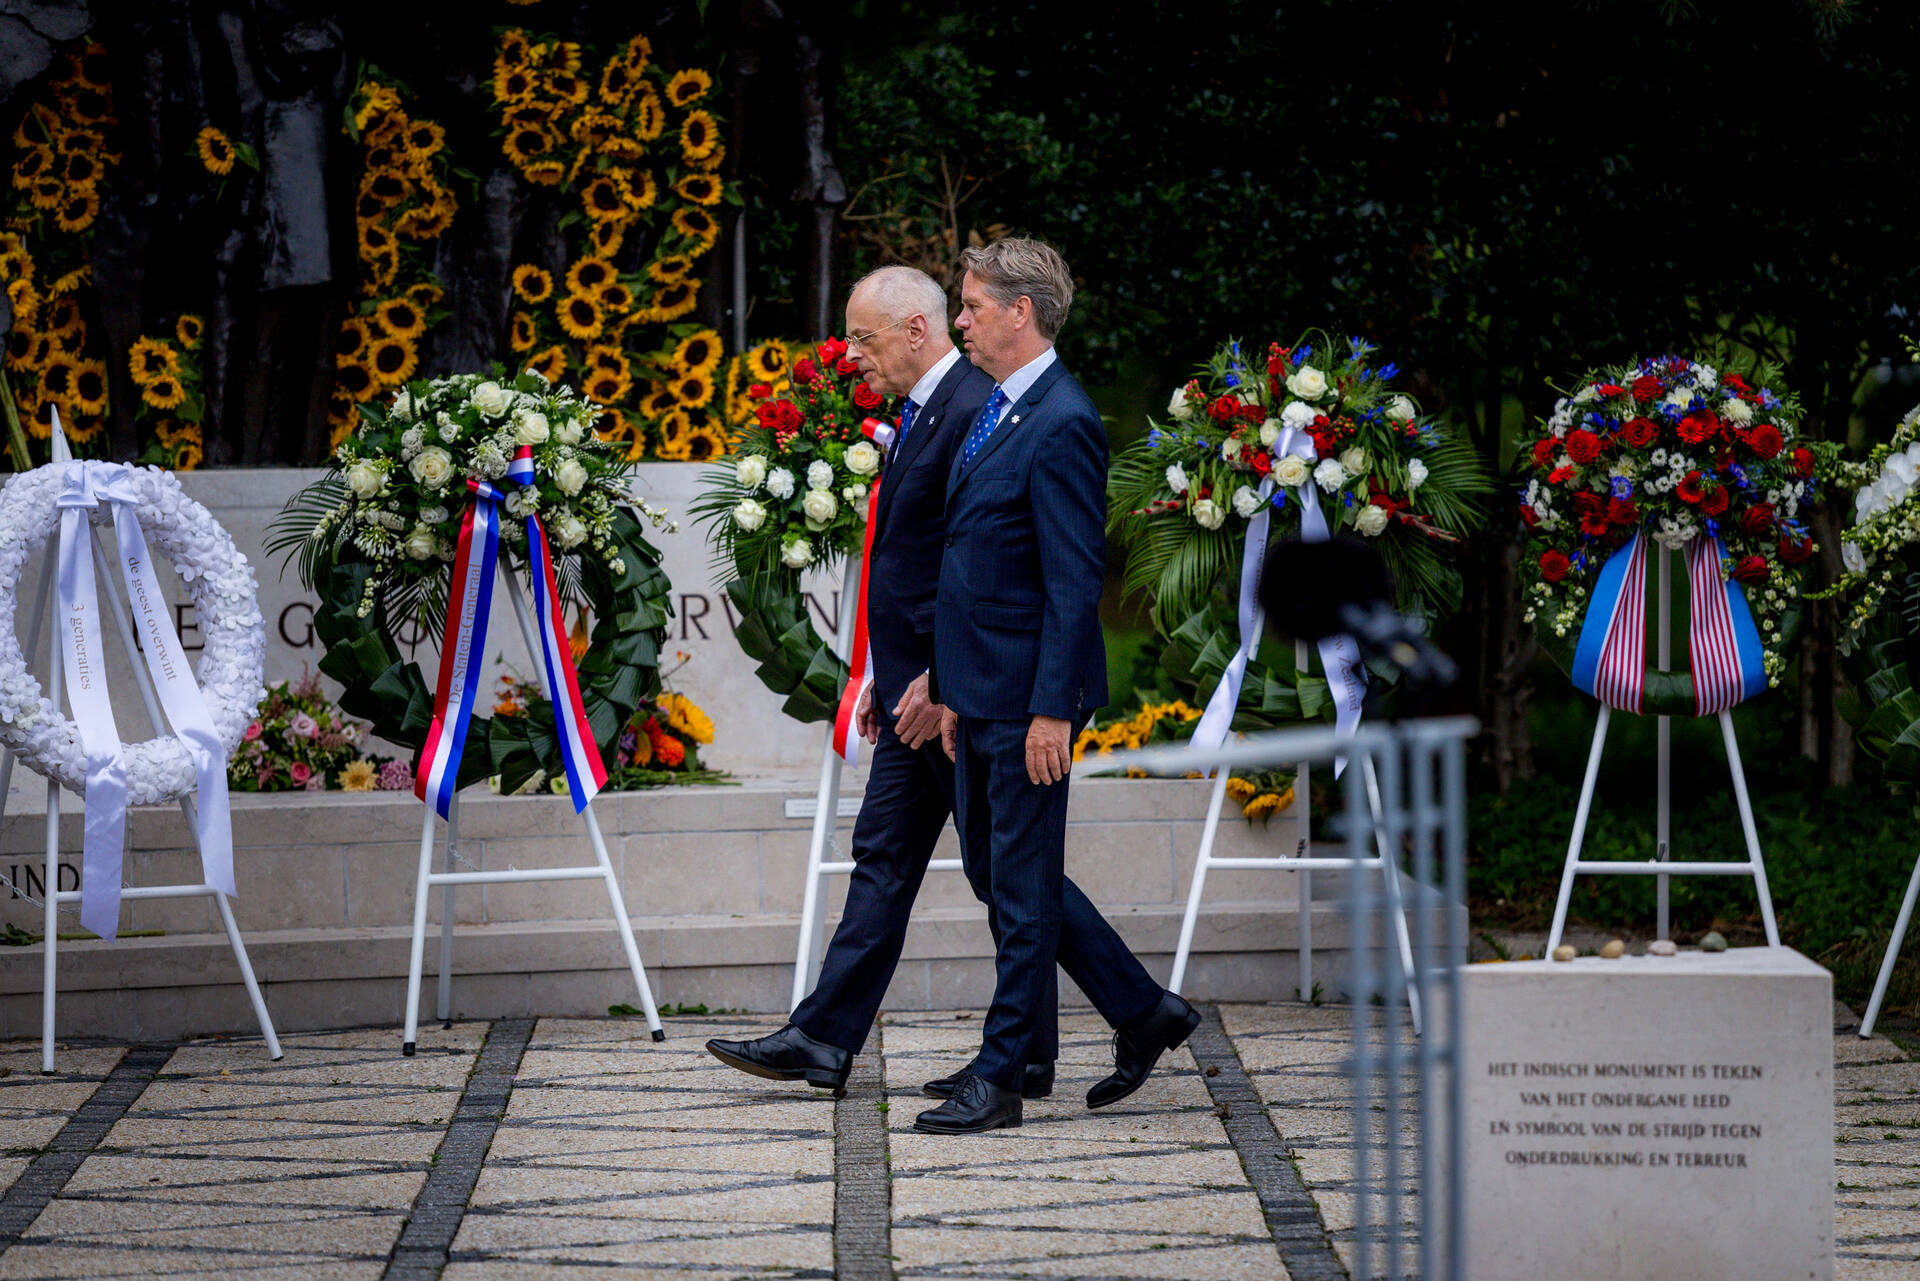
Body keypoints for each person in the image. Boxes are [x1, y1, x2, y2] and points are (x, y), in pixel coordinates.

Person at [914, 239, 1198, 1136]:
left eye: (970, 304)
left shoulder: (1063, 418)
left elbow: (1074, 582)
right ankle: (1123, 1018)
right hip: (982, 687)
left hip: (1028, 696)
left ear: (1019, 310)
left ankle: (1002, 1078)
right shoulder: (1002, 407)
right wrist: (955, 687)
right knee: (999, 870)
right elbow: (980, 560)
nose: (960, 320)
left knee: (1023, 883)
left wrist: (1049, 709)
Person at [704, 265, 996, 1095]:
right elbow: (903, 565)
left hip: (948, 696)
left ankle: (1135, 1007)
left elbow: (968, 564)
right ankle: (824, 1038)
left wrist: (937, 677)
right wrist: (881, 670)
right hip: (910, 690)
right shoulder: (924, 408)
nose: (852, 356)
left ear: (915, 328)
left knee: (1008, 872)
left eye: (864, 338)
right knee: (882, 858)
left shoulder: (971, 406)